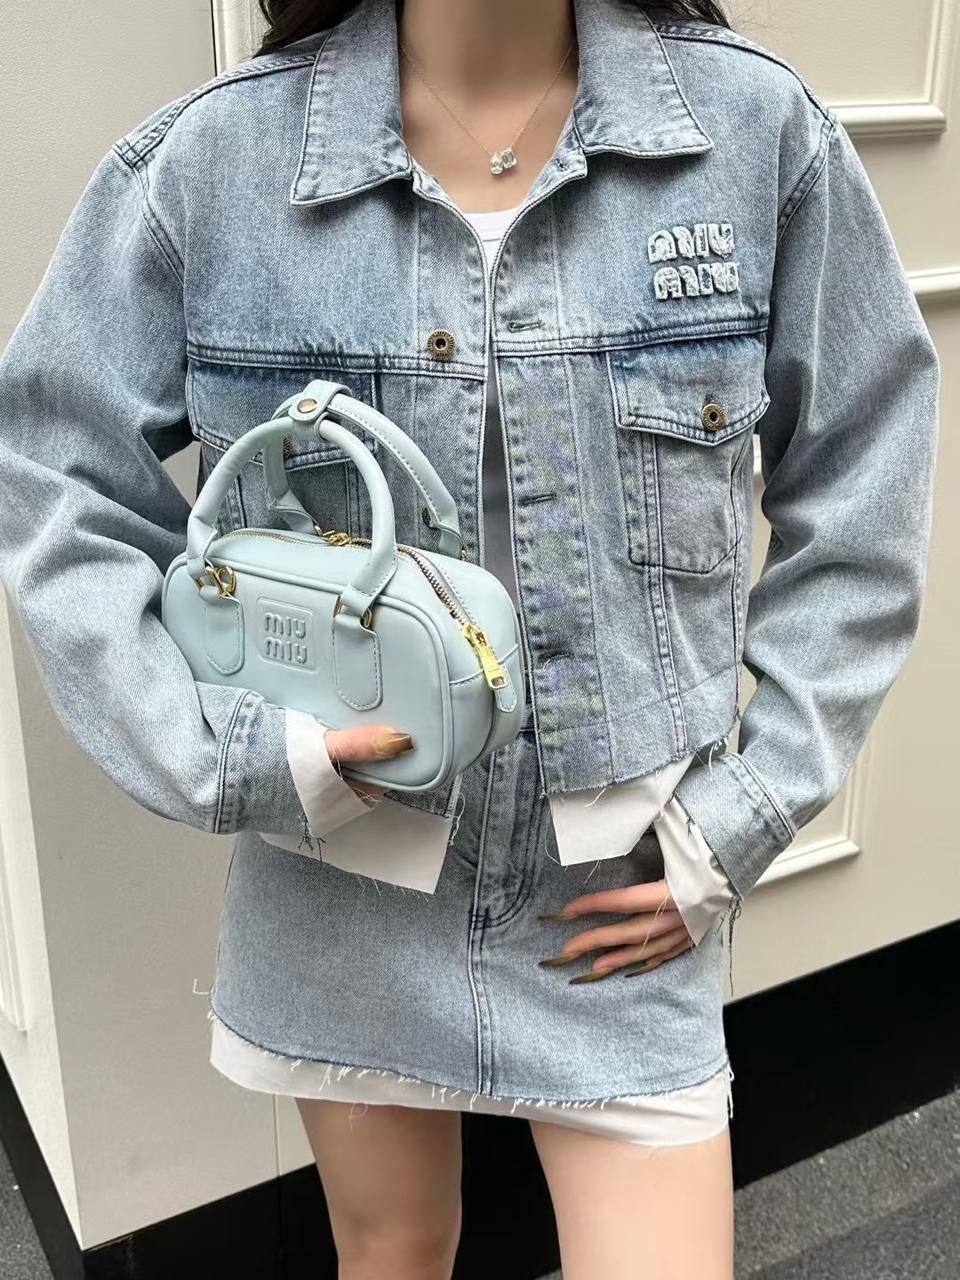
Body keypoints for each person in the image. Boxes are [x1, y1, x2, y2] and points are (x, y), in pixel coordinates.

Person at [0, 0, 939, 1276]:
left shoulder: (754, 135)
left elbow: (864, 493)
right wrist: (232, 755)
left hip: (620, 891)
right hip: (343, 875)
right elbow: (53, 475)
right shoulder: (212, 166)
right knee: (389, 1252)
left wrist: (744, 810)